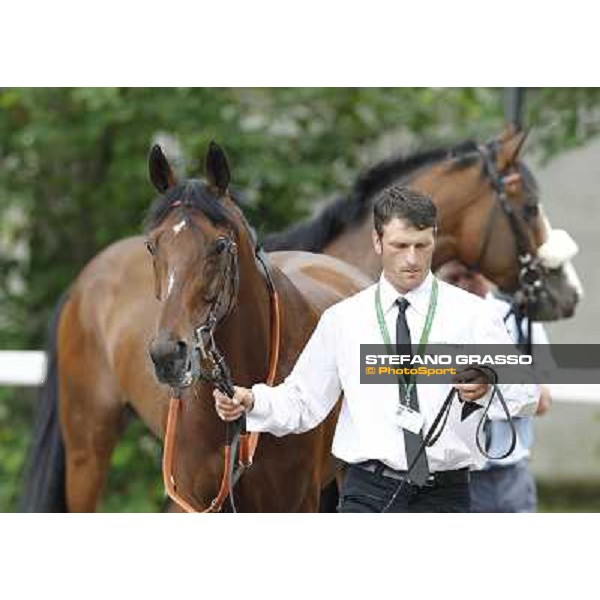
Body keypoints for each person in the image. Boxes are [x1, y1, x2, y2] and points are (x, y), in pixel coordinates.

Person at [214, 185, 539, 513]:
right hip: (367, 493)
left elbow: (526, 395)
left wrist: (488, 385)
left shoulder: (476, 315)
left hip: (446, 494)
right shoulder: (343, 320)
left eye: (421, 246)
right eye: (399, 246)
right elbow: (303, 402)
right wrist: (253, 400)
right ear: (378, 242)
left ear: (434, 240)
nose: (411, 259)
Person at [436, 259, 551, 512]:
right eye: (453, 278)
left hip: (512, 474)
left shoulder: (519, 320)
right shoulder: (431, 324)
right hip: (456, 476)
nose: (463, 285)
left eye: (471, 274)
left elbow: (542, 402)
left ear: (487, 275)